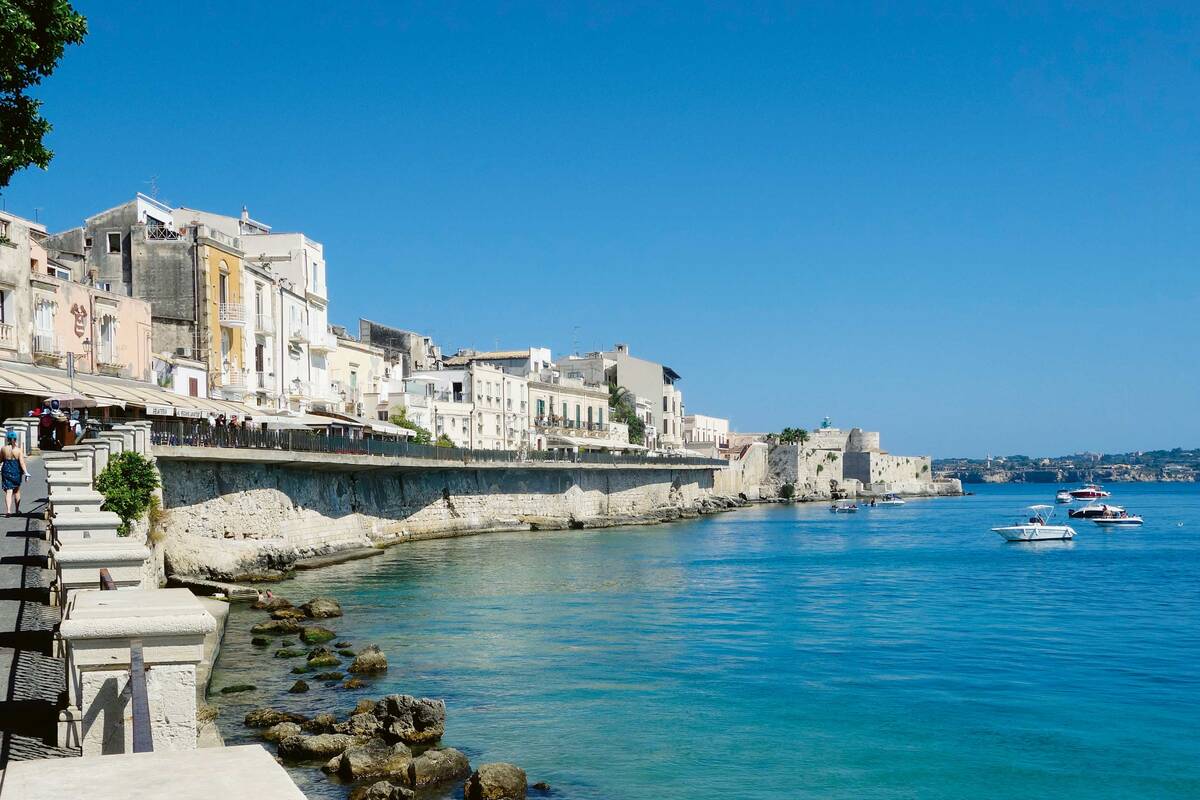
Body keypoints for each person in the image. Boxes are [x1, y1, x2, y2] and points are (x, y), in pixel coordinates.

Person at [2, 430, 30, 516]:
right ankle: (17, 510)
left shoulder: (3, 449)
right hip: (16, 471)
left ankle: (8, 511)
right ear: (15, 439)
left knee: (8, 491)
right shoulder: (18, 450)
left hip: (6, 470)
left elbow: (1, 460)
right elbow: (21, 462)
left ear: (8, 439)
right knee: (17, 491)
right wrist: (26, 473)